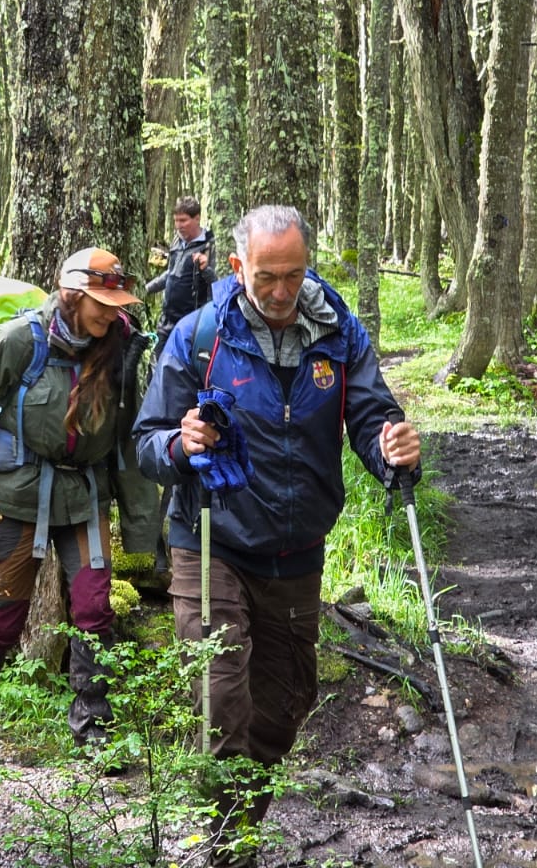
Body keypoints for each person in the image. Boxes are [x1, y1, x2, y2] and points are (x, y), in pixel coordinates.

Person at [134, 205, 421, 865]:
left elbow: (371, 415)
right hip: (212, 537)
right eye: (266, 276)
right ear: (239, 267)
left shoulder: (338, 333)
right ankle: (225, 850)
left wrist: (393, 450)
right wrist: (180, 443)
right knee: (220, 698)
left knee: (286, 704)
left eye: (293, 274)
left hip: (296, 548)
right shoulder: (200, 336)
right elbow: (146, 441)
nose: (282, 290)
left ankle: (238, 828)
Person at [0, 247, 160, 762]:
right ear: (71, 295)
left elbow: (129, 442)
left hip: (86, 496)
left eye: (115, 304)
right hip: (18, 496)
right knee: (4, 619)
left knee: (94, 611)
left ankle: (94, 732)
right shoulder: (19, 341)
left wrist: (143, 528)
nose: (110, 314)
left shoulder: (121, 348)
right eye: (101, 304)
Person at [145, 197, 215, 360]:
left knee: (182, 367)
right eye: (176, 221)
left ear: (197, 218)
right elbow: (170, 274)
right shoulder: (177, 241)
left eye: (183, 221)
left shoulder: (209, 244)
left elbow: (218, 282)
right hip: (167, 320)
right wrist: (147, 288)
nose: (178, 226)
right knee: (157, 365)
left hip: (191, 324)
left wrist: (205, 269)